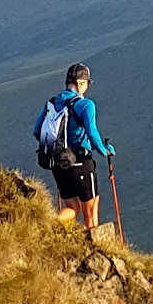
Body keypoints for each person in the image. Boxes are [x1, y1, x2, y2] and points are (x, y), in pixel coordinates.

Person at [33, 63, 114, 229]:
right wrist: (104, 151)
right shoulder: (86, 105)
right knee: (90, 210)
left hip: (58, 163)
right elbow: (92, 133)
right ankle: (95, 247)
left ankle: (48, 227)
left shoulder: (52, 103)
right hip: (81, 162)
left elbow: (37, 131)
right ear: (81, 83)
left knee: (72, 207)